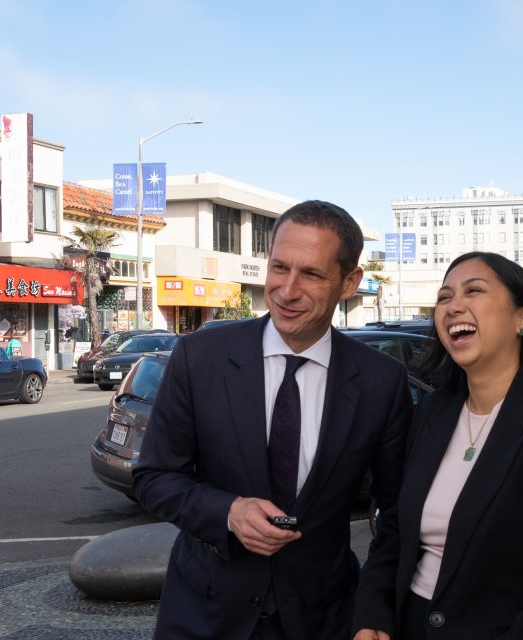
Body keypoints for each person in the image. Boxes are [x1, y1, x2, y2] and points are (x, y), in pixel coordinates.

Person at [133, 200, 413, 640]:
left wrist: (376, 609)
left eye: (312, 274)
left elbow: (397, 513)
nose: (287, 290)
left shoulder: (381, 381)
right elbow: (153, 477)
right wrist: (227, 512)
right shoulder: (200, 358)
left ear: (349, 282)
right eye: (280, 268)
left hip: (326, 619)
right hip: (205, 616)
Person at [353, 252, 523, 639]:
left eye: (473, 291)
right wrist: (371, 614)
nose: (453, 306)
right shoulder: (432, 412)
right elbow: (393, 530)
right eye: (444, 297)